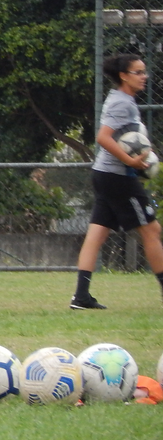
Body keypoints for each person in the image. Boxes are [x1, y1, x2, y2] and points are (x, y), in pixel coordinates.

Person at [70, 53, 163, 309]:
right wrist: (130, 161)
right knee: (152, 230)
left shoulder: (122, 99)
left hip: (104, 175)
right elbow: (103, 137)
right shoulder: (123, 103)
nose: (144, 77)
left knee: (97, 233)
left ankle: (81, 296)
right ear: (123, 76)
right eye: (138, 72)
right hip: (117, 177)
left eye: (145, 71)